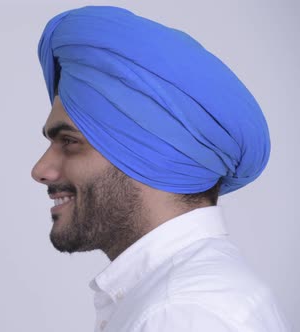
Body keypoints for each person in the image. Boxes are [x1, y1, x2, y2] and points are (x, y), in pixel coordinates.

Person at [31, 6, 290, 332]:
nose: (40, 169)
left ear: (147, 154)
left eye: (69, 141)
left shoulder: (182, 314)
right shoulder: (181, 299)